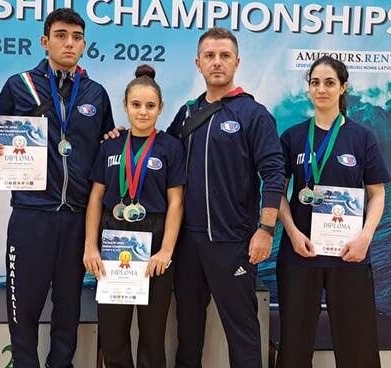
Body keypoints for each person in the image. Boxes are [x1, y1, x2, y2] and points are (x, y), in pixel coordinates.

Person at [0, 8, 114, 368]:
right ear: (45, 41)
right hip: (31, 216)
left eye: (76, 37)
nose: (69, 42)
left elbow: (105, 144)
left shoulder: (96, 94)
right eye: (61, 35)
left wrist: (115, 140)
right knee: (24, 304)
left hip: (78, 218)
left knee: (68, 305)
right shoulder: (19, 85)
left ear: (84, 45)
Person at [166, 28, 285, 368]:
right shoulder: (187, 113)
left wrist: (266, 229)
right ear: (198, 63)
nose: (217, 62)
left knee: (243, 332)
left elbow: (274, 173)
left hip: (232, 241)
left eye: (224, 56)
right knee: (187, 331)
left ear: (237, 62)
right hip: (187, 243)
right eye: (209, 56)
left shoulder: (254, 114)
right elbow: (163, 157)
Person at [275, 56, 390, 368]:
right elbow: (277, 193)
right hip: (301, 254)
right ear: (308, 89)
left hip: (348, 254)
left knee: (358, 342)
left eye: (329, 83)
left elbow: (377, 194)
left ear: (343, 87)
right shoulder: (292, 137)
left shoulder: (362, 137)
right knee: (294, 343)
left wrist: (365, 238)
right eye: (315, 83)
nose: (321, 89)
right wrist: (293, 232)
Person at [83, 65, 185, 368]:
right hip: (114, 237)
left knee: (153, 335)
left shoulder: (170, 146)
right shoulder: (111, 145)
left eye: (150, 106)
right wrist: (91, 245)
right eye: (136, 105)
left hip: (154, 241)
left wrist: (166, 251)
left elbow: (176, 202)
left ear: (160, 108)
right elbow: (96, 199)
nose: (143, 112)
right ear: (125, 106)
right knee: (113, 334)